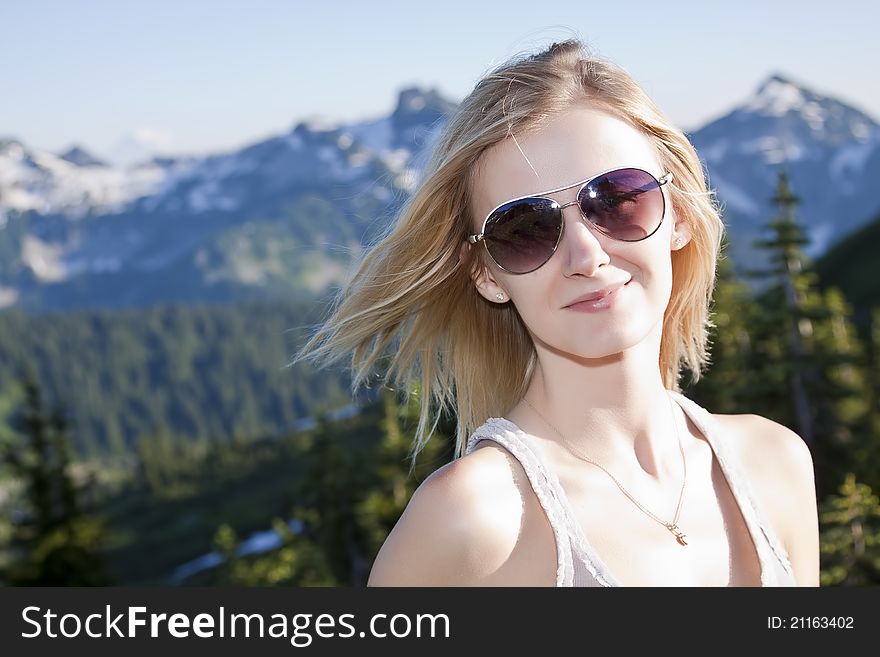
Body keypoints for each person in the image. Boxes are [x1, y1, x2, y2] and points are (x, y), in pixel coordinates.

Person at [293, 39, 820, 586]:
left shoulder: (776, 461)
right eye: (526, 230)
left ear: (680, 214)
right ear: (486, 274)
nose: (586, 256)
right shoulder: (469, 524)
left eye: (619, 200)